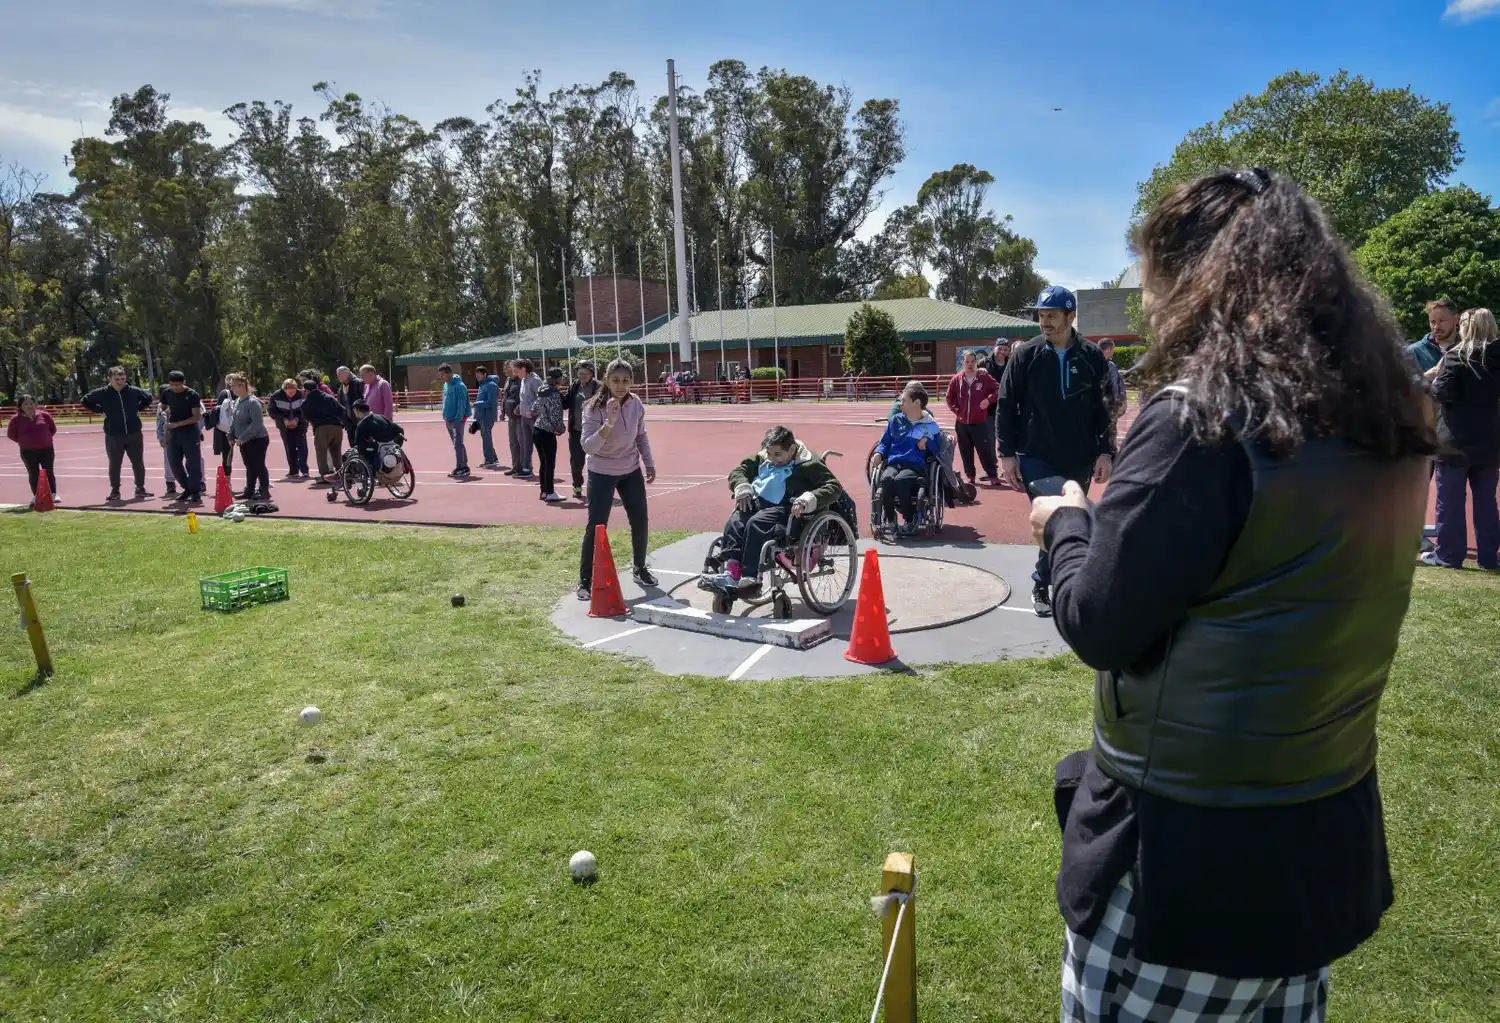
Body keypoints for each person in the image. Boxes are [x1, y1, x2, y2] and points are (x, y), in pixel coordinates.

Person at [1028, 168, 1435, 1023]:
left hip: (1188, 861)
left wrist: (1067, 521)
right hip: (1318, 841)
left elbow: (1099, 619)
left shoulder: (1202, 421)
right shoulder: (1382, 422)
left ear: (1195, 277)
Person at [995, 285, 1116, 617]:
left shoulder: (1092, 357)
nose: (1044, 322)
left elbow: (1105, 409)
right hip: (1035, 455)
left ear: (1070, 316)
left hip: (1080, 455)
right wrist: (1006, 454)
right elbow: (1006, 405)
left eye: (1051, 316)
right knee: (1058, 518)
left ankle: (1065, 580)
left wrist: (1106, 452)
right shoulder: (1025, 355)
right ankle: (1042, 583)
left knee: (1072, 518)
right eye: (1041, 316)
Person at [701, 425, 843, 596]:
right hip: (758, 503)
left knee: (756, 523)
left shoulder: (809, 463)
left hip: (788, 509)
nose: (772, 459)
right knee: (736, 521)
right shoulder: (762, 458)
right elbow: (739, 471)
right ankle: (732, 573)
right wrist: (742, 487)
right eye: (769, 453)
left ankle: (750, 578)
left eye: (778, 455)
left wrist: (808, 499)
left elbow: (833, 487)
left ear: (792, 449)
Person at [1426, 307, 1500, 570]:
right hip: (1489, 440)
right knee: (1486, 502)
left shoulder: (1456, 356)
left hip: (1453, 439)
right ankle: (1489, 557)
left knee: (1450, 502)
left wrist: (1434, 379)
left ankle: (1448, 555)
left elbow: (1441, 392)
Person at [577, 358, 657, 599]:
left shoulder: (636, 404)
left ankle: (639, 567)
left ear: (631, 382)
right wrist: (609, 423)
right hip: (601, 471)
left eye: (625, 380)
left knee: (640, 520)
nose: (621, 385)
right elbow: (588, 447)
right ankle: (584, 580)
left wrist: (649, 462)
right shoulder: (592, 407)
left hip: (630, 469)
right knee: (597, 526)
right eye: (615, 380)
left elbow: (641, 435)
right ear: (606, 380)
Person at [869, 381, 943, 538]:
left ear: (916, 403)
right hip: (895, 462)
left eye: (903, 400)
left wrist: (927, 443)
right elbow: (884, 443)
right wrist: (879, 453)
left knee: (900, 480)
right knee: (887, 478)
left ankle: (911, 519)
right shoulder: (895, 421)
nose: (900, 403)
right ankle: (890, 519)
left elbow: (938, 450)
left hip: (915, 465)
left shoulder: (929, 425)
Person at [80, 365, 154, 502]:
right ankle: (115, 490)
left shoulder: (132, 391)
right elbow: (84, 400)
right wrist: (99, 410)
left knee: (138, 462)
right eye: (117, 379)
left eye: (122, 378)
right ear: (110, 379)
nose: (120, 381)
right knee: (115, 463)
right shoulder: (103, 392)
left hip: (134, 433)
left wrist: (138, 408)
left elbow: (148, 398)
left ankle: (140, 488)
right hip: (114, 435)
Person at [945, 350, 1000, 485]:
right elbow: (949, 397)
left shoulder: (984, 377)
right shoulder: (957, 379)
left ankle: (992, 475)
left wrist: (988, 400)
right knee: (965, 451)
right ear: (962, 363)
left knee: (985, 450)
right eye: (967, 362)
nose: (970, 364)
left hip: (980, 422)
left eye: (972, 361)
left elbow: (998, 389)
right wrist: (957, 411)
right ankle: (970, 475)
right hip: (962, 423)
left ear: (976, 363)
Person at [159, 370, 206, 504]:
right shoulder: (166, 393)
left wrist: (176, 424)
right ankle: (187, 488)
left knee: (193, 463)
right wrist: (163, 413)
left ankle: (195, 491)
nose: (175, 387)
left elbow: (196, 417)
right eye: (173, 385)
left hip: (190, 432)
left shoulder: (192, 395)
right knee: (173, 462)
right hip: (174, 434)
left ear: (184, 382)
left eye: (178, 385)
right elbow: (163, 408)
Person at [225, 373, 271, 502]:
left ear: (242, 385)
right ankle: (249, 490)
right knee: (249, 465)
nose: (232, 389)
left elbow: (257, 423)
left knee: (258, 465)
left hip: (257, 439)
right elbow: (234, 421)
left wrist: (243, 437)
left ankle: (264, 490)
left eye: (233, 386)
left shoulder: (252, 402)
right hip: (244, 441)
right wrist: (230, 435)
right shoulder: (238, 401)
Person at [6, 395, 59, 507]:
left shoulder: (44, 415)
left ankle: (54, 494)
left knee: (49, 471)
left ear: (35, 404)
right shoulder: (15, 420)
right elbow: (11, 435)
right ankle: (36, 495)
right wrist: (23, 441)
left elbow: (52, 429)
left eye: (31, 403)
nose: (29, 406)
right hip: (28, 452)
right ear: (20, 406)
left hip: (47, 449)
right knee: (33, 473)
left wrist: (46, 438)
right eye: (26, 404)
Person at [531, 366, 568, 503]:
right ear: (556, 379)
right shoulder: (554, 393)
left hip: (537, 429)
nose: (562, 379)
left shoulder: (541, 390)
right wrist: (560, 428)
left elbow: (533, 409)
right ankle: (551, 492)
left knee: (543, 463)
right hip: (547, 432)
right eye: (561, 377)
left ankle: (544, 491)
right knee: (550, 463)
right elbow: (556, 414)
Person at [302, 376, 348, 481]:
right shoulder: (329, 397)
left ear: (306, 390)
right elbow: (342, 410)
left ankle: (325, 475)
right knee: (336, 452)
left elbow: (306, 417)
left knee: (321, 452)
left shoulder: (307, 401)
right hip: (337, 427)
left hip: (321, 428)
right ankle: (340, 473)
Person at [567, 360, 599, 499]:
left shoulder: (599, 387)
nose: (582, 376)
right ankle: (577, 486)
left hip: (594, 431)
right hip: (576, 430)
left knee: (597, 460)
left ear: (592, 373)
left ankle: (599, 487)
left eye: (585, 373)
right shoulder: (574, 386)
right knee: (576, 460)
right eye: (580, 373)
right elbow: (565, 402)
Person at [268, 378, 311, 479]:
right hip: (284, 427)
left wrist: (297, 419)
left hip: (300, 426)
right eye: (289, 390)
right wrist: (283, 419)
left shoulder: (302, 395)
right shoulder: (276, 396)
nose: (291, 392)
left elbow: (306, 409)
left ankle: (304, 471)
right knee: (289, 448)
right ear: (284, 389)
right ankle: (293, 471)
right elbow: (271, 411)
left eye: (293, 390)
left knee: (302, 447)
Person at [1406, 298, 1460, 376]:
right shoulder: (1414, 352)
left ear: (1456, 319)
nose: (1436, 327)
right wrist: (1425, 378)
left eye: (1442, 321)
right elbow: (1401, 386)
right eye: (1433, 322)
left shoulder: (1469, 349)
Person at [351, 399, 405, 473]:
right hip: (391, 446)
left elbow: (358, 443)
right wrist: (398, 444)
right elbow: (400, 430)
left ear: (356, 411)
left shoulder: (361, 424)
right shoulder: (382, 417)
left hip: (377, 450)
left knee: (355, 451)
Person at [438, 363, 471, 478]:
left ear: (449, 373)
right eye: (440, 375)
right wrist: (444, 415)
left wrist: (457, 419)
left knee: (458, 443)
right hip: (448, 419)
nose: (441, 377)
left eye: (442, 375)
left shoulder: (459, 386)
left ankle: (461, 467)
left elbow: (461, 405)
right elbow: (445, 400)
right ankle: (464, 465)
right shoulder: (446, 385)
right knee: (457, 444)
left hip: (458, 420)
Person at [511, 359, 540, 480]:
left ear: (524, 368)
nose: (516, 374)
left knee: (539, 444)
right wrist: (519, 407)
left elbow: (540, 398)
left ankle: (545, 467)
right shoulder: (523, 380)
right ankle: (526, 468)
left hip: (534, 417)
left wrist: (532, 410)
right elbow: (524, 398)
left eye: (517, 371)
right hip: (524, 417)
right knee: (525, 443)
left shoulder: (536, 380)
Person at [472, 365, 502, 469]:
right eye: (476, 374)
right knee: (485, 438)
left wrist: (476, 404)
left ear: (485, 374)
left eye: (479, 374)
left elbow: (491, 402)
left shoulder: (491, 385)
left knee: (486, 438)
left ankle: (489, 459)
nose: (477, 376)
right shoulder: (482, 385)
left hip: (488, 416)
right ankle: (493, 457)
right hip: (482, 416)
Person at [1098, 340, 1127, 431]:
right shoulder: (1094, 365)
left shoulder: (1112, 366)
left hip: (1113, 406)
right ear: (1107, 350)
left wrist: (1122, 399)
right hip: (1100, 407)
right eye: (1112, 349)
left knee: (1112, 431)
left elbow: (1119, 383)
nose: (1113, 351)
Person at [212, 375, 236, 475]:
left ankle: (258, 481)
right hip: (226, 429)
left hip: (240, 427)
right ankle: (227, 482)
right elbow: (220, 412)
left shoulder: (243, 393)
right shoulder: (225, 393)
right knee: (227, 455)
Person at [335, 366, 364, 445]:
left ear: (347, 373)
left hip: (360, 420)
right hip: (348, 422)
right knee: (352, 445)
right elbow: (340, 403)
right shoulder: (341, 387)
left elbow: (364, 400)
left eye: (339, 374)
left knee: (362, 444)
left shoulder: (359, 383)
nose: (338, 376)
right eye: (338, 375)